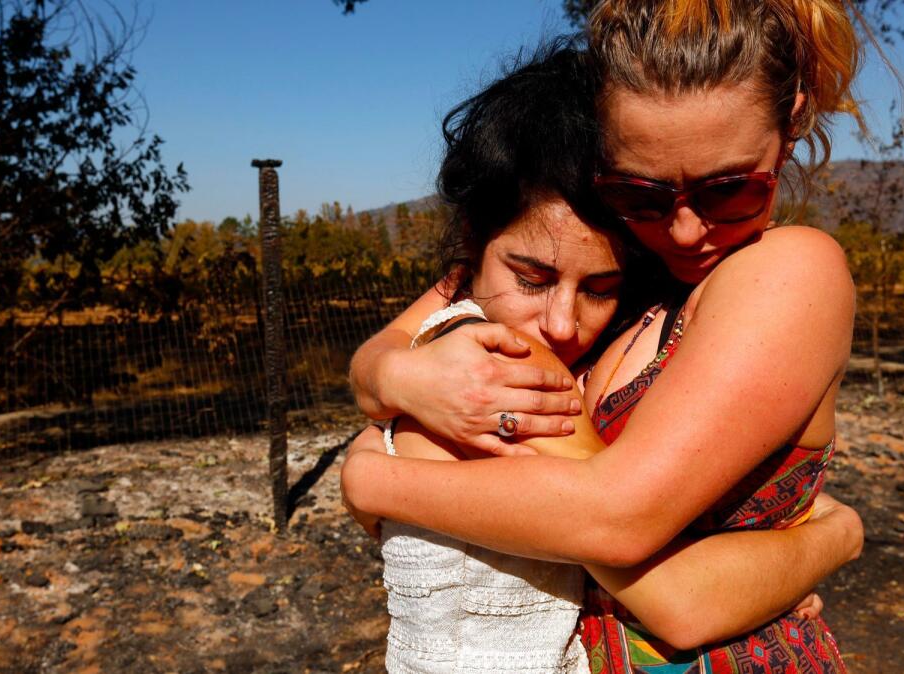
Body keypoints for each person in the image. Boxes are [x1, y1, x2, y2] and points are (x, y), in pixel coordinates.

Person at [343, 1, 867, 671]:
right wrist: (397, 379)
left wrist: (371, 483)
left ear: (792, 120)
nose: (683, 230)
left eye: (730, 189)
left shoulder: (791, 270)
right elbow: (381, 355)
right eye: (643, 193)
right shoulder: (620, 262)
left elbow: (629, 534)